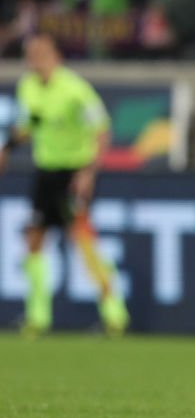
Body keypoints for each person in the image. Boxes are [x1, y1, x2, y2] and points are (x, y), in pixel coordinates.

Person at [0, 34, 129, 336]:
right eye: (31, 54)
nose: (36, 60)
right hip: (46, 172)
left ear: (56, 56)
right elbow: (31, 123)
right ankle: (37, 317)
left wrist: (88, 173)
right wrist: (6, 147)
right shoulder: (28, 87)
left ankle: (115, 314)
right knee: (34, 238)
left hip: (73, 173)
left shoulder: (75, 90)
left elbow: (101, 131)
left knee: (82, 240)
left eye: (42, 53)